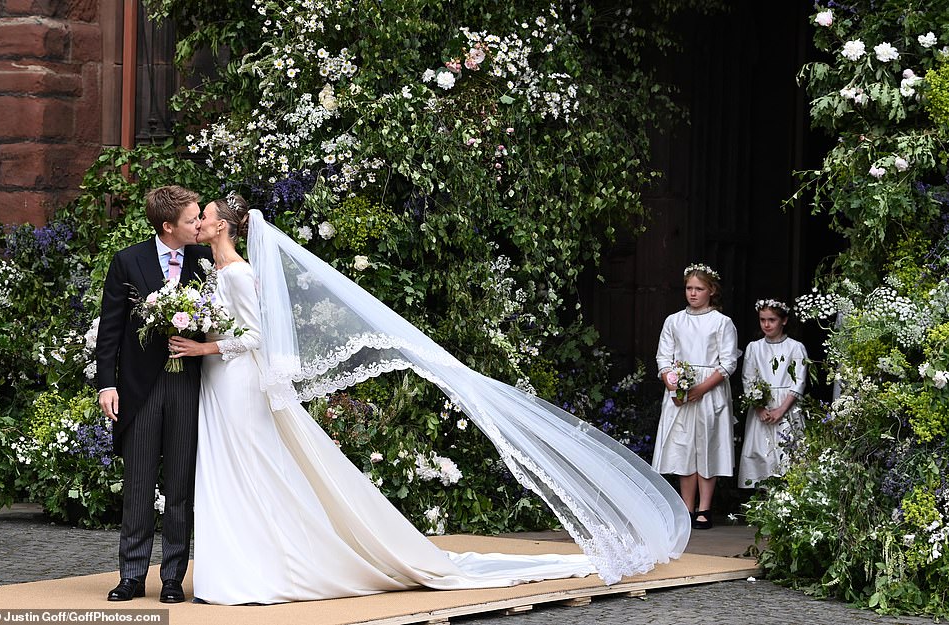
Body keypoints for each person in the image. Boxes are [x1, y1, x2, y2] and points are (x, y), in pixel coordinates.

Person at [169, 193, 691, 605]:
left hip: (236, 378)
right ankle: (241, 563)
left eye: (206, 217)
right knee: (231, 469)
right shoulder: (213, 271)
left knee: (250, 466)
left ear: (224, 226)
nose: (200, 222)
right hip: (218, 377)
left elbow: (259, 336)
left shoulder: (237, 272)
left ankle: (260, 567)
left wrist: (203, 344)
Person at [95, 186, 214, 603]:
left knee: (180, 488)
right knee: (139, 486)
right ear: (168, 226)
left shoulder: (206, 262)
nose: (199, 224)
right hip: (139, 389)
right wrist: (106, 385)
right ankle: (130, 576)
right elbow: (110, 328)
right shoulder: (128, 261)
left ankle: (172, 579)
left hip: (188, 385)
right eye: (192, 218)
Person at [652, 263, 739, 530]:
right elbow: (664, 357)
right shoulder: (674, 321)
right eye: (689, 288)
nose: (693, 293)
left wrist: (701, 388)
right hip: (679, 392)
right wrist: (673, 386)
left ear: (711, 290)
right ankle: (686, 507)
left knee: (707, 446)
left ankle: (705, 508)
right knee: (683, 447)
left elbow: (727, 363)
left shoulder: (722, 323)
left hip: (709, 393)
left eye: (699, 289)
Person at [737, 299, 807, 488]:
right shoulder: (754, 347)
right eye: (762, 320)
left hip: (787, 407)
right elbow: (748, 379)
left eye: (772, 320)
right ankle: (763, 501)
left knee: (789, 453)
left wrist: (781, 410)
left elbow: (799, 381)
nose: (766, 324)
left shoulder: (795, 347)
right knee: (762, 453)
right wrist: (759, 408)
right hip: (763, 408)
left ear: (783, 321)